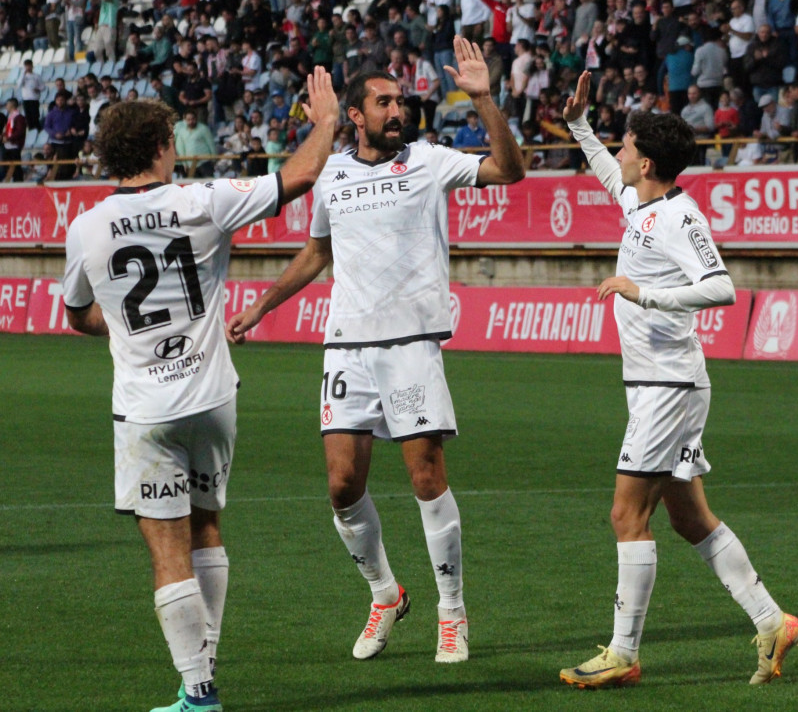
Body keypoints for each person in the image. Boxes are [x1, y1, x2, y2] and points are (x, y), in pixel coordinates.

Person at [226, 37, 525, 663]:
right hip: (346, 346)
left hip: (412, 343)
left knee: (426, 477)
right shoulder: (331, 173)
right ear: (355, 117)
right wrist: (260, 306)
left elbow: (509, 169)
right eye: (384, 102)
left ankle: (452, 612)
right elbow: (317, 253)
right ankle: (386, 593)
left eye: (402, 101)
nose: (399, 111)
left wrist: (485, 99)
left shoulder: (430, 159)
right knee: (341, 486)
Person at [61, 67, 338, 712]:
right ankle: (199, 676)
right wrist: (324, 122)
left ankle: (200, 689)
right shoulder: (203, 200)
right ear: (162, 144)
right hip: (214, 399)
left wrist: (123, 322)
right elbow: (295, 179)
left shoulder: (87, 228)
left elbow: (77, 316)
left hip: (145, 411)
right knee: (207, 526)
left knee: (167, 547)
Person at [557, 70, 798, 690]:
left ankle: (622, 653)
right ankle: (773, 622)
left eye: (626, 145)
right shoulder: (641, 202)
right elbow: (605, 171)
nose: (619, 153)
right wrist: (579, 123)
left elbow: (721, 287)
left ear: (646, 162)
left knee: (624, 514)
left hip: (668, 386)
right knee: (689, 518)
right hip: (657, 384)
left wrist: (644, 295)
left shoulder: (679, 216)